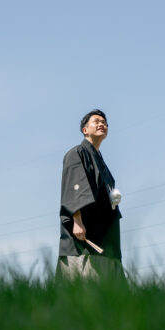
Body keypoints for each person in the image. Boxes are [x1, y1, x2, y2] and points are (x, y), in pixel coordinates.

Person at [57, 109, 124, 280]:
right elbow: (74, 187)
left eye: (105, 123)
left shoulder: (102, 162)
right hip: (84, 233)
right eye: (97, 121)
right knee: (85, 283)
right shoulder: (77, 153)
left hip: (105, 234)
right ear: (85, 130)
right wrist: (77, 221)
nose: (102, 124)